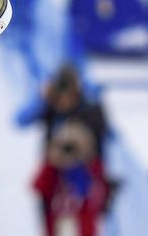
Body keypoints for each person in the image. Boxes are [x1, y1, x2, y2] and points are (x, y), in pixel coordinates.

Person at [32, 65, 111, 236]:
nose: (63, 101)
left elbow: (98, 141)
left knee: (84, 223)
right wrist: (42, 99)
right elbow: (21, 119)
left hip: (85, 176)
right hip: (54, 178)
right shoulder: (50, 110)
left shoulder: (90, 111)